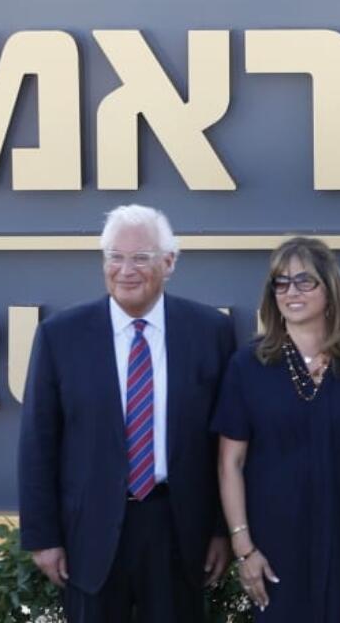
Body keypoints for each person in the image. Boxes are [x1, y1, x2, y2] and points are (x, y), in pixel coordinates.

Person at [18, 204, 236, 623]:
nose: (125, 270)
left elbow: (221, 442)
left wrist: (219, 530)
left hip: (177, 526)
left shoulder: (210, 332)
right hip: (90, 533)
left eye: (141, 257)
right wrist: (43, 538)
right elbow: (38, 442)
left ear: (169, 262)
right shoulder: (60, 335)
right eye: (115, 257)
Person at [214, 237, 340, 622]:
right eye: (281, 283)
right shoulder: (248, 365)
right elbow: (229, 464)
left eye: (305, 281)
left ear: (330, 289)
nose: (292, 292)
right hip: (274, 546)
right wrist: (244, 546)